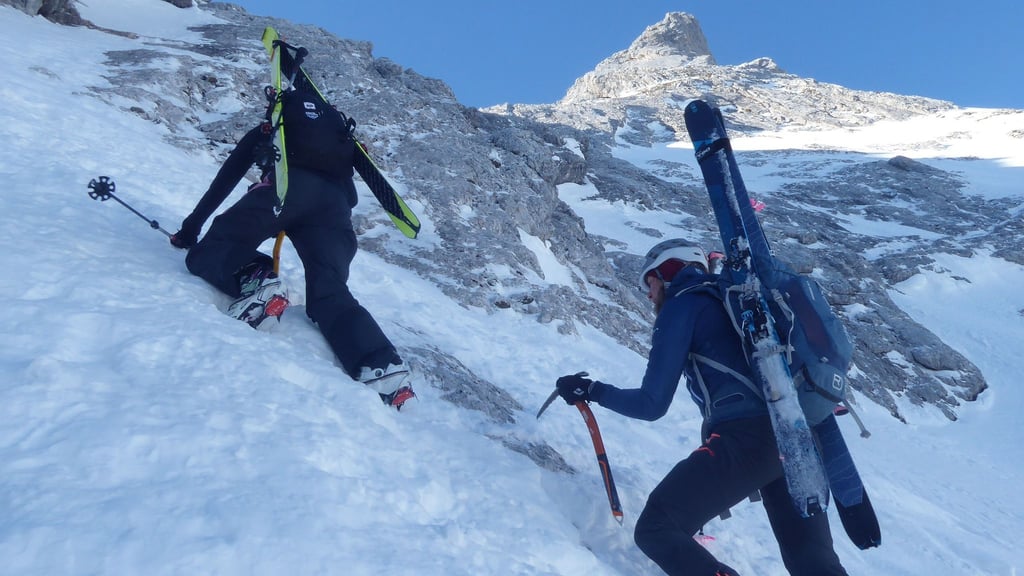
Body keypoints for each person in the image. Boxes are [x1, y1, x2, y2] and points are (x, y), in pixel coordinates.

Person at [555, 238, 847, 576]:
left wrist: (591, 390)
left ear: (667, 271)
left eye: (649, 282)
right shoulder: (730, 299)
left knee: (657, 527)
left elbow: (652, 404)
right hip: (799, 433)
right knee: (812, 560)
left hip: (748, 440)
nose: (649, 295)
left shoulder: (683, 305)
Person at [169, 104, 416, 411]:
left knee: (213, 248)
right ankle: (382, 367)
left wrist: (190, 231)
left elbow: (227, 177)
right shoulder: (339, 142)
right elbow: (352, 191)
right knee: (330, 291)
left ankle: (257, 283)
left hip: (286, 190)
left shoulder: (271, 131)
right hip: (335, 209)